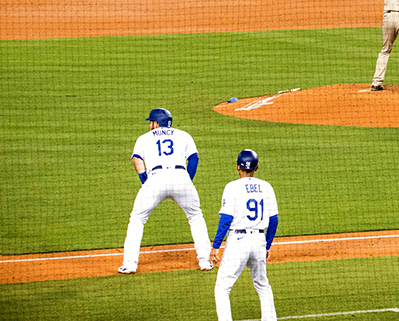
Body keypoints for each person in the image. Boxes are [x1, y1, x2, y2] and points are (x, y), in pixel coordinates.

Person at [119, 108, 212, 274]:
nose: (150, 125)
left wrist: (145, 181)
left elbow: (137, 159)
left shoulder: (144, 138)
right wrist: (187, 181)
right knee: (195, 216)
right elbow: (194, 159)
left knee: (138, 218)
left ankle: (130, 264)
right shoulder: (184, 135)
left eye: (151, 122)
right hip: (181, 177)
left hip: (156, 178)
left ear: (157, 123)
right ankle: (205, 261)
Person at [209, 149, 279, 321]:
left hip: (238, 242)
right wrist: (267, 245)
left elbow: (226, 219)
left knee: (222, 288)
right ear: (256, 168)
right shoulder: (266, 186)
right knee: (263, 285)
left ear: (237, 167)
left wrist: (216, 246)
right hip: (258, 240)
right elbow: (274, 220)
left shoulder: (231, 187)